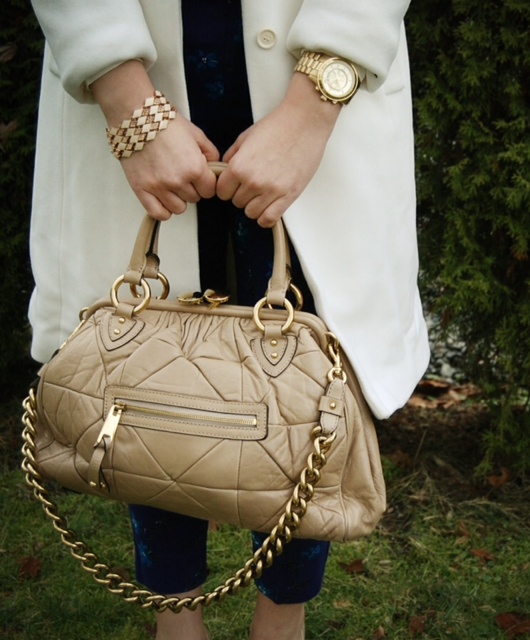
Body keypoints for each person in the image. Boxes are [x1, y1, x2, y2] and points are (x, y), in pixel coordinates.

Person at [28, 1, 430, 638]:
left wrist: (313, 104)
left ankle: (281, 624)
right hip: (139, 70)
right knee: (146, 369)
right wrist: (125, 97)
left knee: (306, 374)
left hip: (312, 86)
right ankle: (176, 624)